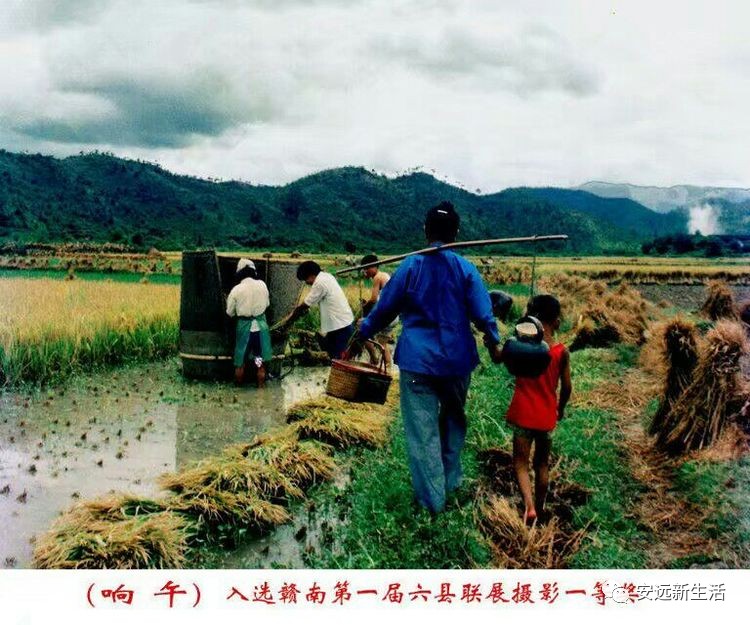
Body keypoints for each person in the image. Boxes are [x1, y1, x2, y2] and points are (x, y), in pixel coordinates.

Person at [356, 201, 502, 515]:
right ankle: (450, 483)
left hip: (417, 364)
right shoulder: (465, 269)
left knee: (422, 433)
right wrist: (494, 343)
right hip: (456, 361)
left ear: (426, 231)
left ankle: (432, 503)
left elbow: (384, 310)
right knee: (452, 419)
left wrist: (362, 331)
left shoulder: (409, 266)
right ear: (457, 233)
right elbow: (483, 314)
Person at [505, 294, 572, 524]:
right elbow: (567, 387)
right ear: (556, 321)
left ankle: (529, 507)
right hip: (546, 417)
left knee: (521, 463)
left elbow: (504, 359)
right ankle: (541, 508)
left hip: (523, 414)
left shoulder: (521, 347)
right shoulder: (561, 351)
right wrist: (560, 409)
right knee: (542, 464)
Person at [284, 260, 355, 360]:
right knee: (332, 354)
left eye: (306, 279)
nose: (307, 283)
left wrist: (289, 320)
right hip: (341, 323)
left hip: (340, 325)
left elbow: (305, 304)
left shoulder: (320, 283)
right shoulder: (327, 276)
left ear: (312, 275)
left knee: (339, 359)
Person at [226, 258, 272, 387]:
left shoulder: (236, 290)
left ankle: (238, 390)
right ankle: (261, 389)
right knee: (259, 360)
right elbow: (267, 304)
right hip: (260, 329)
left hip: (244, 330)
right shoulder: (262, 285)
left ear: (239, 274)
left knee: (241, 361)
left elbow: (230, 312)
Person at [359, 253, 394, 370]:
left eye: (367, 268)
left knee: (362, 328)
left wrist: (365, 305)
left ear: (374, 267)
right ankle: (386, 367)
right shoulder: (385, 275)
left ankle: (379, 364)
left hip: (386, 315)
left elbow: (373, 299)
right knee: (382, 343)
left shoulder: (377, 277)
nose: (366, 271)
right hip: (392, 315)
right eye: (364, 269)